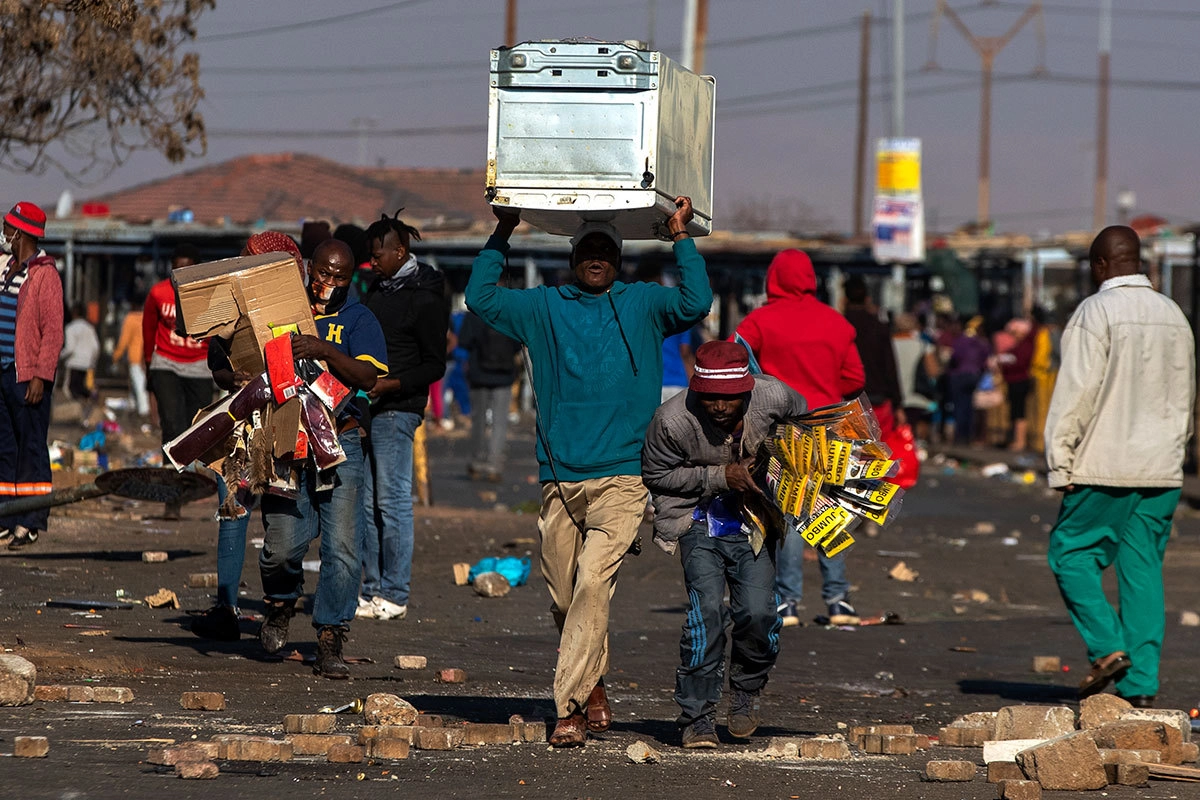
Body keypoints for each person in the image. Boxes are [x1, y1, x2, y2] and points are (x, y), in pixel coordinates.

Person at [466, 196, 712, 747]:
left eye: (605, 250)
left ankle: (571, 708)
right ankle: (593, 680)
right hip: (560, 476)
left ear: (619, 259)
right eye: (587, 250)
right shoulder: (543, 307)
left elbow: (698, 301)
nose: (596, 258)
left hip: (624, 475)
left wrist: (680, 235)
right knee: (565, 596)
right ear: (572, 257)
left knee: (593, 581)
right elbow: (479, 297)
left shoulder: (645, 304)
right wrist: (503, 232)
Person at [1045, 225, 1194, 709]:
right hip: (1162, 467)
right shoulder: (1174, 315)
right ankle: (1140, 684)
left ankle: (1108, 647)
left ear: (1100, 265)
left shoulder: (1095, 312)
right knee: (1142, 570)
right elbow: (1186, 396)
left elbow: (1076, 394)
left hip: (1104, 464)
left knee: (1070, 555)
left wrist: (1060, 461)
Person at [642, 341, 804, 748]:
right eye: (710, 397)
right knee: (707, 613)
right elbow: (656, 474)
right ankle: (697, 717)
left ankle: (747, 688)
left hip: (757, 521)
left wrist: (779, 462)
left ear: (746, 390)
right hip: (696, 520)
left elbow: (807, 429)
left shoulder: (775, 397)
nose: (718, 406)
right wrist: (719, 476)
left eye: (729, 398)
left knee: (758, 612)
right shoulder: (672, 420)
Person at [257, 238, 388, 678]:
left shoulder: (359, 318)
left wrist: (326, 351)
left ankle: (331, 636)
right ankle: (280, 603)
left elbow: (368, 376)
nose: (329, 282)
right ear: (310, 267)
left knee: (343, 546)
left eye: (339, 276)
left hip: (341, 440)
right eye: (323, 273)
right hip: (287, 442)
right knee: (282, 544)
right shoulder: (285, 307)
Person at [734, 249, 864, 627]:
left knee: (791, 513)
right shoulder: (836, 322)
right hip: (831, 427)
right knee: (828, 511)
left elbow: (732, 360)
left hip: (784, 428)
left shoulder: (759, 321)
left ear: (772, 279)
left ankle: (787, 602)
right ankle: (838, 599)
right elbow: (855, 378)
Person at [191, 231, 306, 642]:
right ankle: (226, 606)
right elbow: (217, 366)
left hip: (291, 417)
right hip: (244, 418)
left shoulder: (302, 306)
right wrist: (233, 377)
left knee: (285, 513)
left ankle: (280, 605)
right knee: (234, 507)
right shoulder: (230, 309)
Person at [356, 211, 448, 622]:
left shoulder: (425, 296)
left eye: (378, 255)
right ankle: (371, 589)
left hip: (398, 409)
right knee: (366, 504)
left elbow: (434, 365)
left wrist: (390, 384)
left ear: (400, 251)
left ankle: (395, 592)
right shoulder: (377, 290)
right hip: (368, 407)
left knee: (392, 502)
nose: (372, 262)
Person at [0, 202, 63, 549]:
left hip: (27, 375)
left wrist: (41, 375)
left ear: (20, 233)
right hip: (3, 372)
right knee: (6, 447)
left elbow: (52, 332)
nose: (4, 234)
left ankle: (30, 520)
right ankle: (6, 516)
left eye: (7, 228)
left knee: (31, 448)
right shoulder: (7, 269)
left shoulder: (45, 275)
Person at [144, 243, 213, 518]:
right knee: (172, 425)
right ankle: (171, 494)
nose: (181, 274)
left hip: (200, 366)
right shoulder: (158, 293)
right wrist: (148, 366)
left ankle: (190, 485)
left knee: (195, 428)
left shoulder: (208, 295)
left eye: (188, 268)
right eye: (177, 268)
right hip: (166, 363)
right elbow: (148, 329)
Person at [458, 310, 520, 482]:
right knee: (500, 422)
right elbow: (517, 344)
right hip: (504, 374)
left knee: (479, 421)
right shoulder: (507, 312)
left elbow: (464, 341)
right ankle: (494, 465)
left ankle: (477, 462)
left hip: (479, 374)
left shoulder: (475, 313)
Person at [842, 276, 903, 436]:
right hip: (878, 399)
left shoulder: (839, 326)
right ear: (867, 299)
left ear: (845, 299)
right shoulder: (879, 327)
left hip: (847, 400)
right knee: (880, 447)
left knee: (849, 449)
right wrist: (897, 403)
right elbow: (890, 366)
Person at [892, 312, 939, 441]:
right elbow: (933, 371)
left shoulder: (888, 345)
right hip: (917, 397)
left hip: (893, 396)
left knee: (894, 437)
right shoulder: (923, 346)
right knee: (916, 437)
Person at [947, 315, 990, 445]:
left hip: (960, 375)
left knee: (960, 406)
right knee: (969, 406)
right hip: (974, 376)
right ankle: (968, 435)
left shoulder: (960, 341)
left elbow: (955, 358)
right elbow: (985, 360)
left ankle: (960, 435)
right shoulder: (981, 342)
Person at [998, 316, 1035, 451]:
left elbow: (1021, 362)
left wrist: (1007, 362)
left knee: (1019, 411)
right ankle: (1016, 440)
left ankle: (1020, 442)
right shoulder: (1019, 345)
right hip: (1014, 380)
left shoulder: (1026, 346)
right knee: (1015, 411)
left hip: (1020, 380)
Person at [111, 293, 150, 418]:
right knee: (136, 385)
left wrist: (116, 356)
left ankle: (144, 413)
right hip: (148, 356)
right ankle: (133, 407)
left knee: (139, 386)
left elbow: (124, 340)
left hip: (135, 358)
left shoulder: (130, 318)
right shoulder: (148, 317)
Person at [60, 304, 101, 411]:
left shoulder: (70, 328)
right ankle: (87, 401)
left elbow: (70, 348)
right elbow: (96, 347)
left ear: (73, 314)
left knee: (69, 389)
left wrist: (59, 356)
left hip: (74, 362)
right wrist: (93, 362)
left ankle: (79, 408)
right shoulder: (90, 328)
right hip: (87, 363)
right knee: (80, 387)